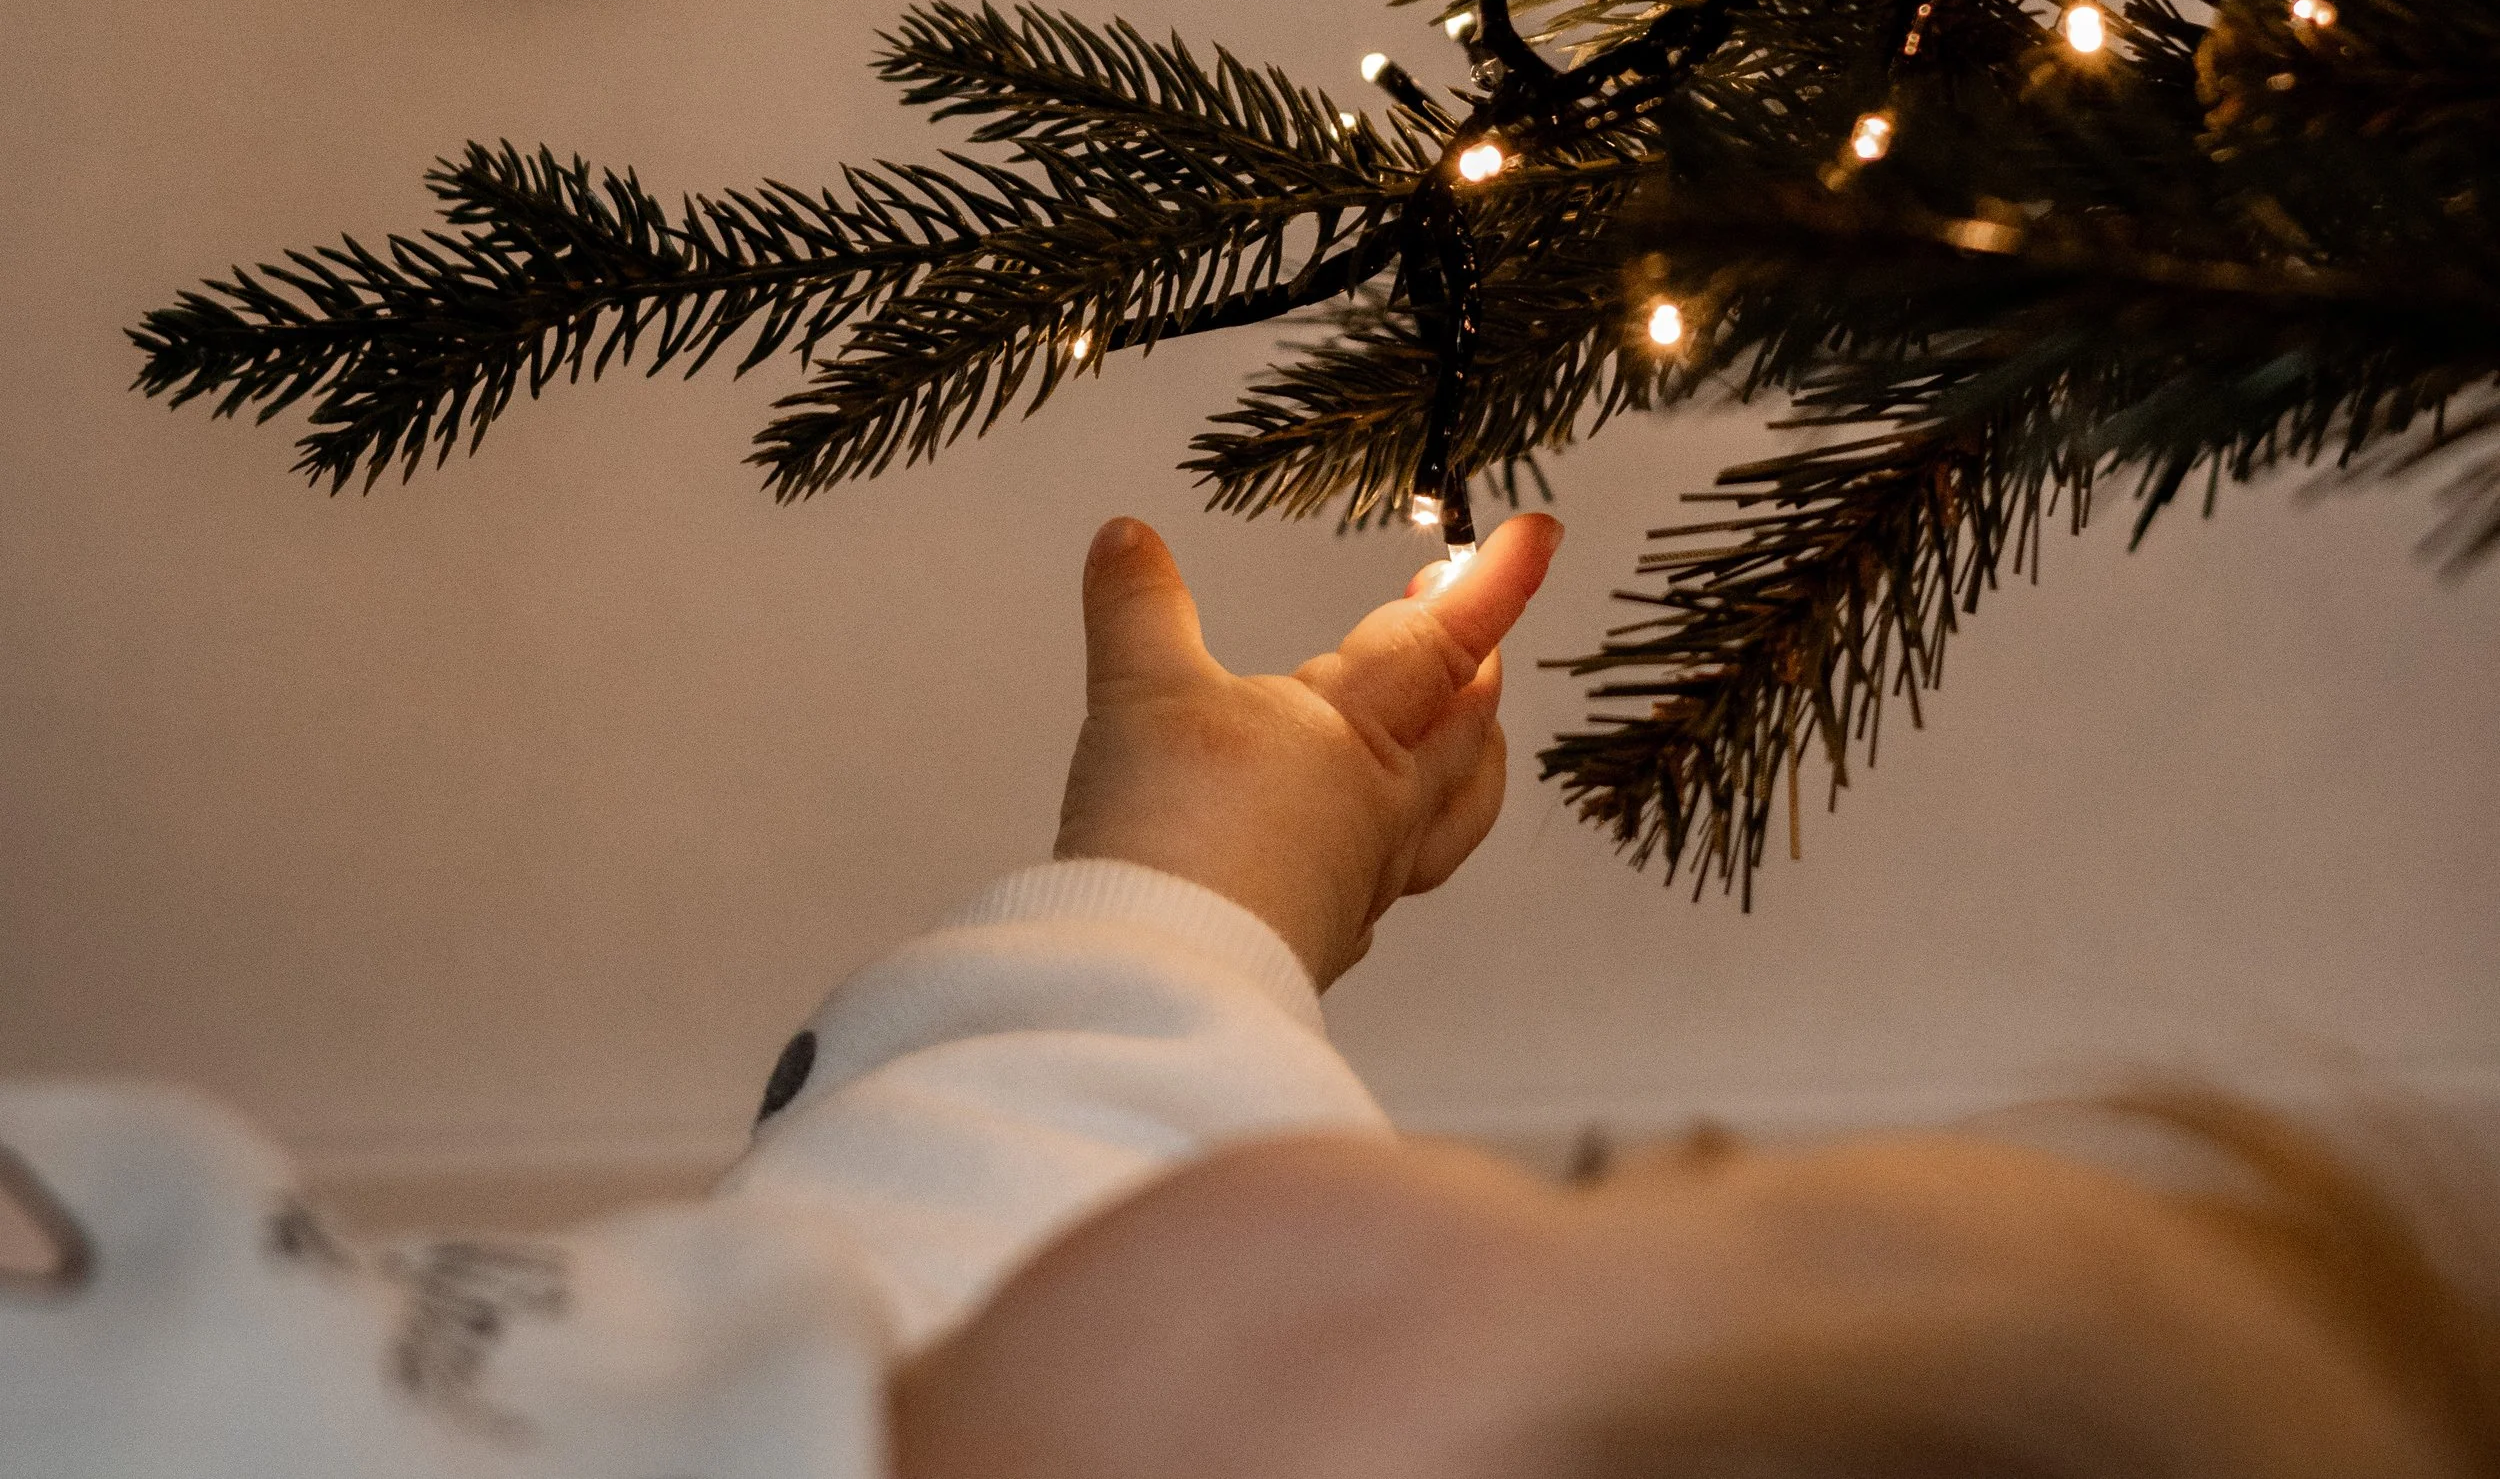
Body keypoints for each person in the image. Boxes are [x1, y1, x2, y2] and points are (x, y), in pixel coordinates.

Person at [3, 510, 2492, 1478]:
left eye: (1585, 1201)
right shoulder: (950, 1405)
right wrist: (1211, 877)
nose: (1402, 1169)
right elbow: (1028, 1210)